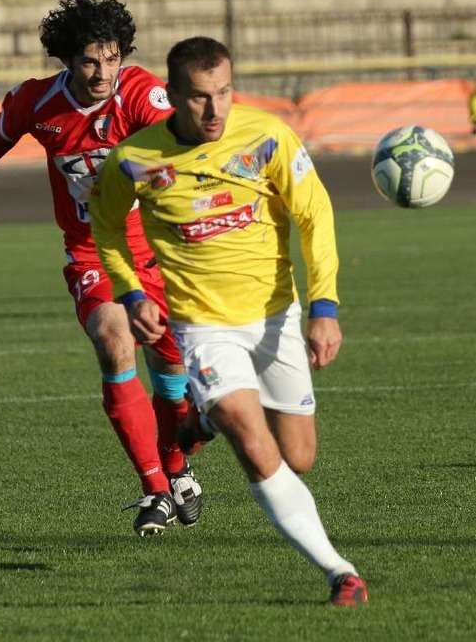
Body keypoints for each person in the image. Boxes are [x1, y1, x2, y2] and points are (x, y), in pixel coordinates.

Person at [0, 0, 202, 536]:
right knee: (113, 339)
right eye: (90, 61)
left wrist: (168, 173)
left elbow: (181, 141)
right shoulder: (38, 103)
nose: (103, 72)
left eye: (112, 58)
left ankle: (177, 467)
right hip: (92, 252)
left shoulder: (140, 94)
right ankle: (155, 487)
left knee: (179, 387)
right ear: (67, 59)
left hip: (159, 251)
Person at [90, 36, 369, 606]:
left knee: (299, 456)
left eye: (224, 92)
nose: (215, 109)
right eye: (199, 97)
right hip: (202, 327)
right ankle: (341, 572)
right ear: (172, 96)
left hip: (274, 318)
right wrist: (131, 292)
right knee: (250, 435)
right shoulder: (134, 159)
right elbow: (107, 227)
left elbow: (314, 216)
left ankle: (202, 421)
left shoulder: (267, 136)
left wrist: (324, 308)